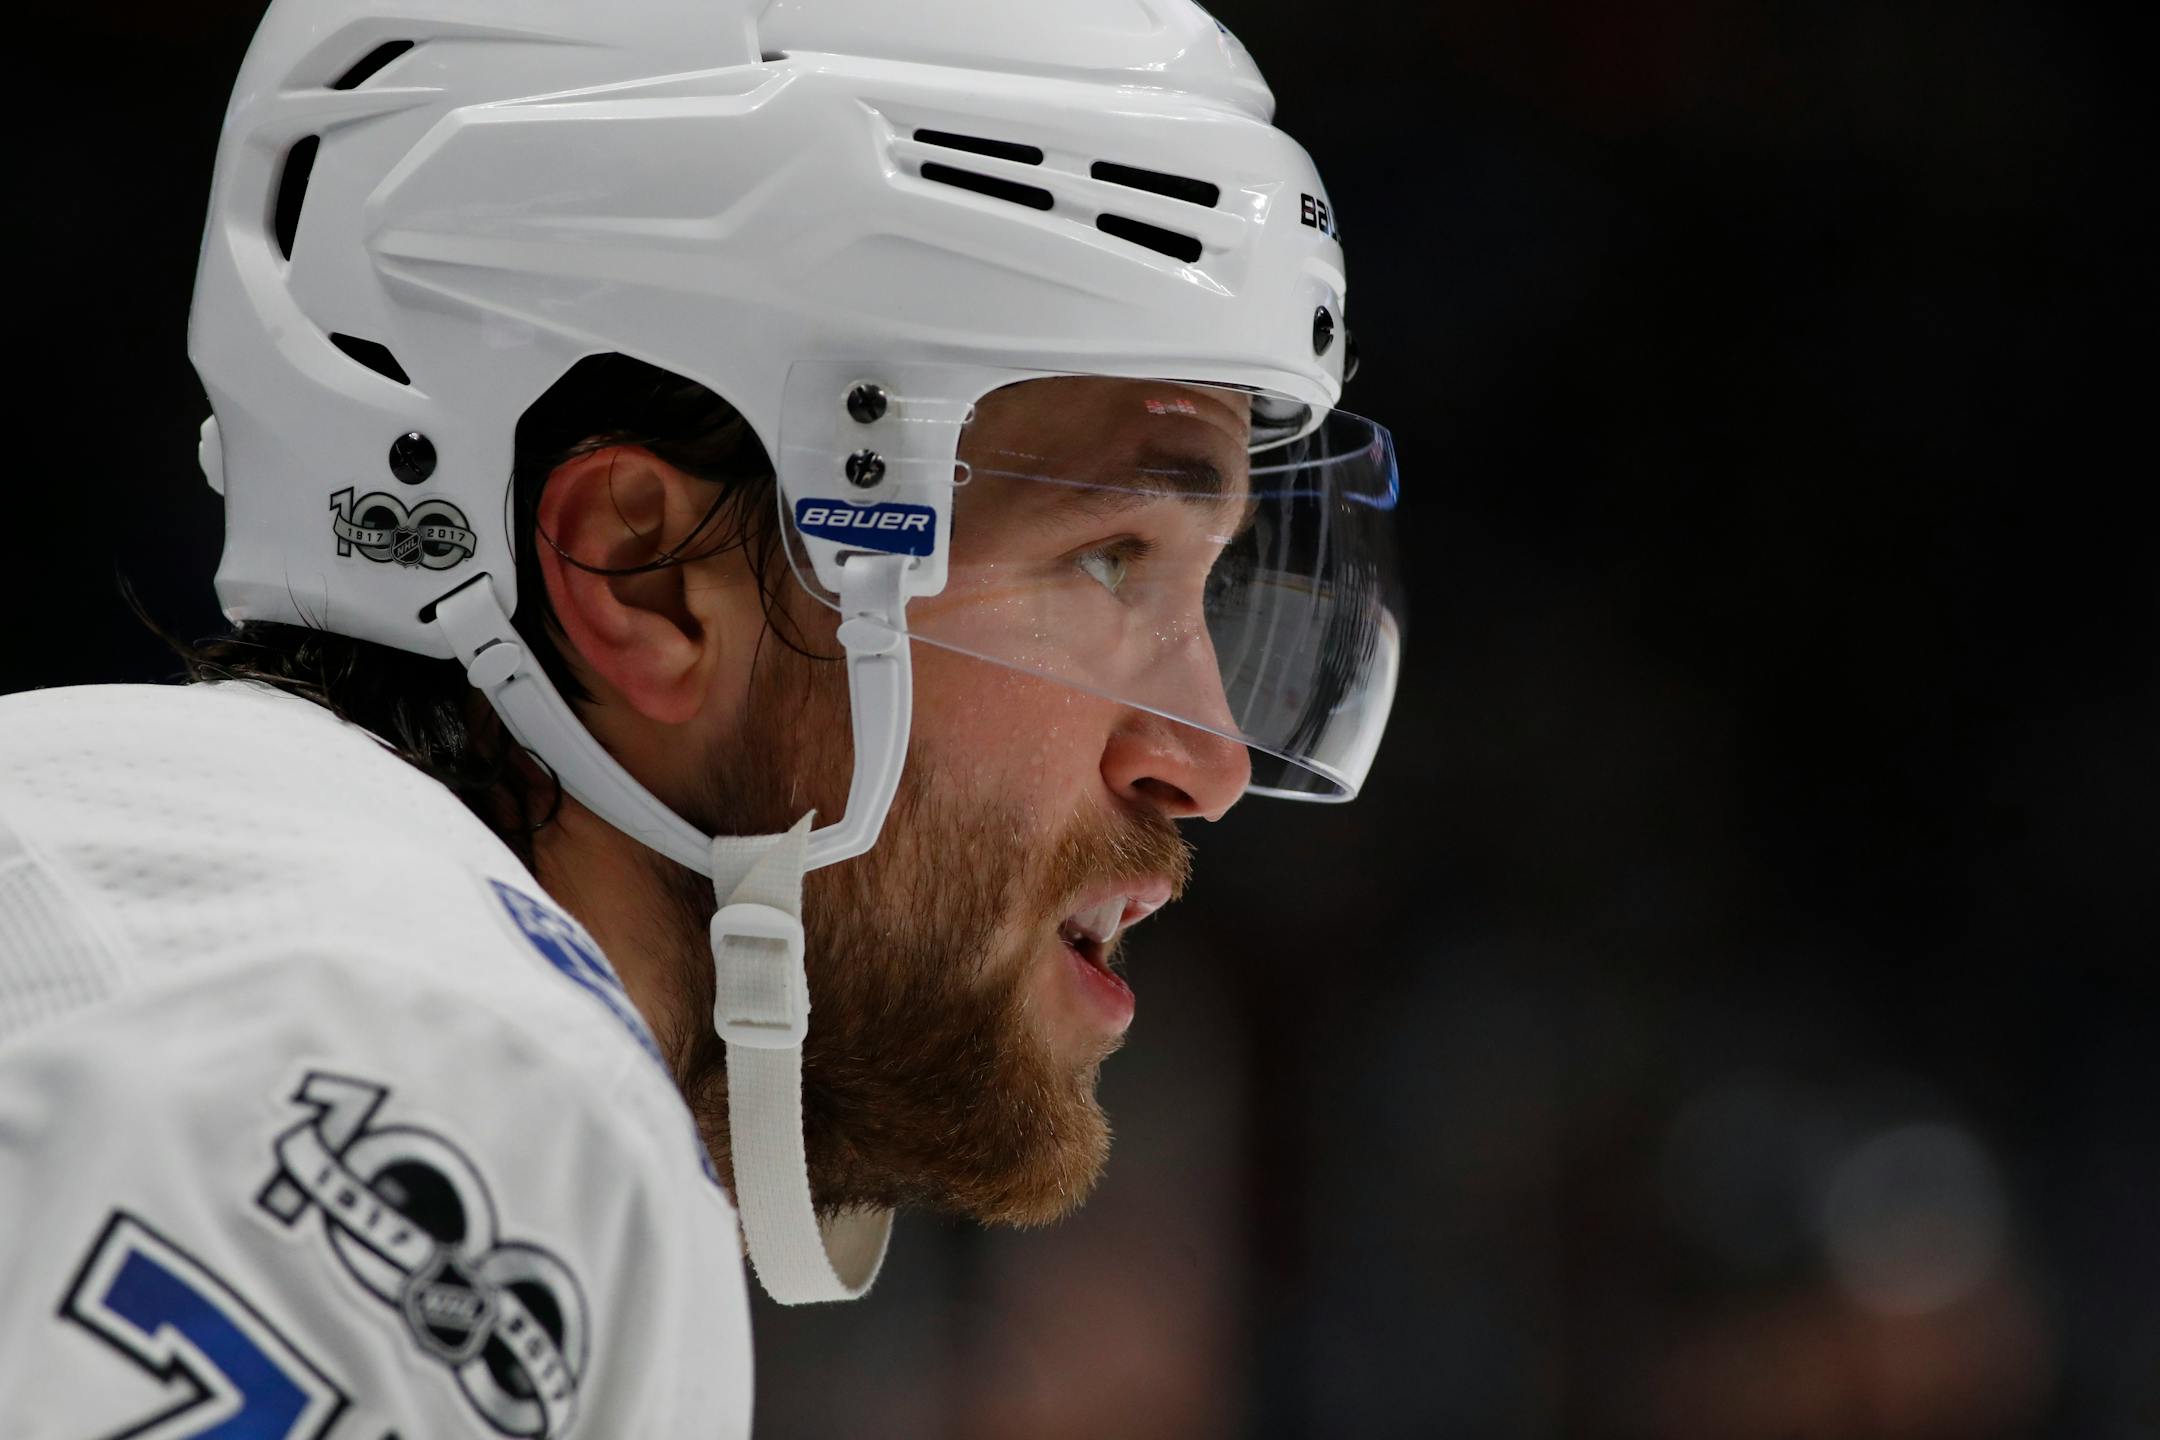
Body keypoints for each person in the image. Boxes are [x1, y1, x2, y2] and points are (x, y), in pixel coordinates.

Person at [0, 0, 1403, 1434]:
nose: (1207, 761)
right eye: (1109, 559)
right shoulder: (417, 1071)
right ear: (651, 576)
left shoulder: (211, 921)